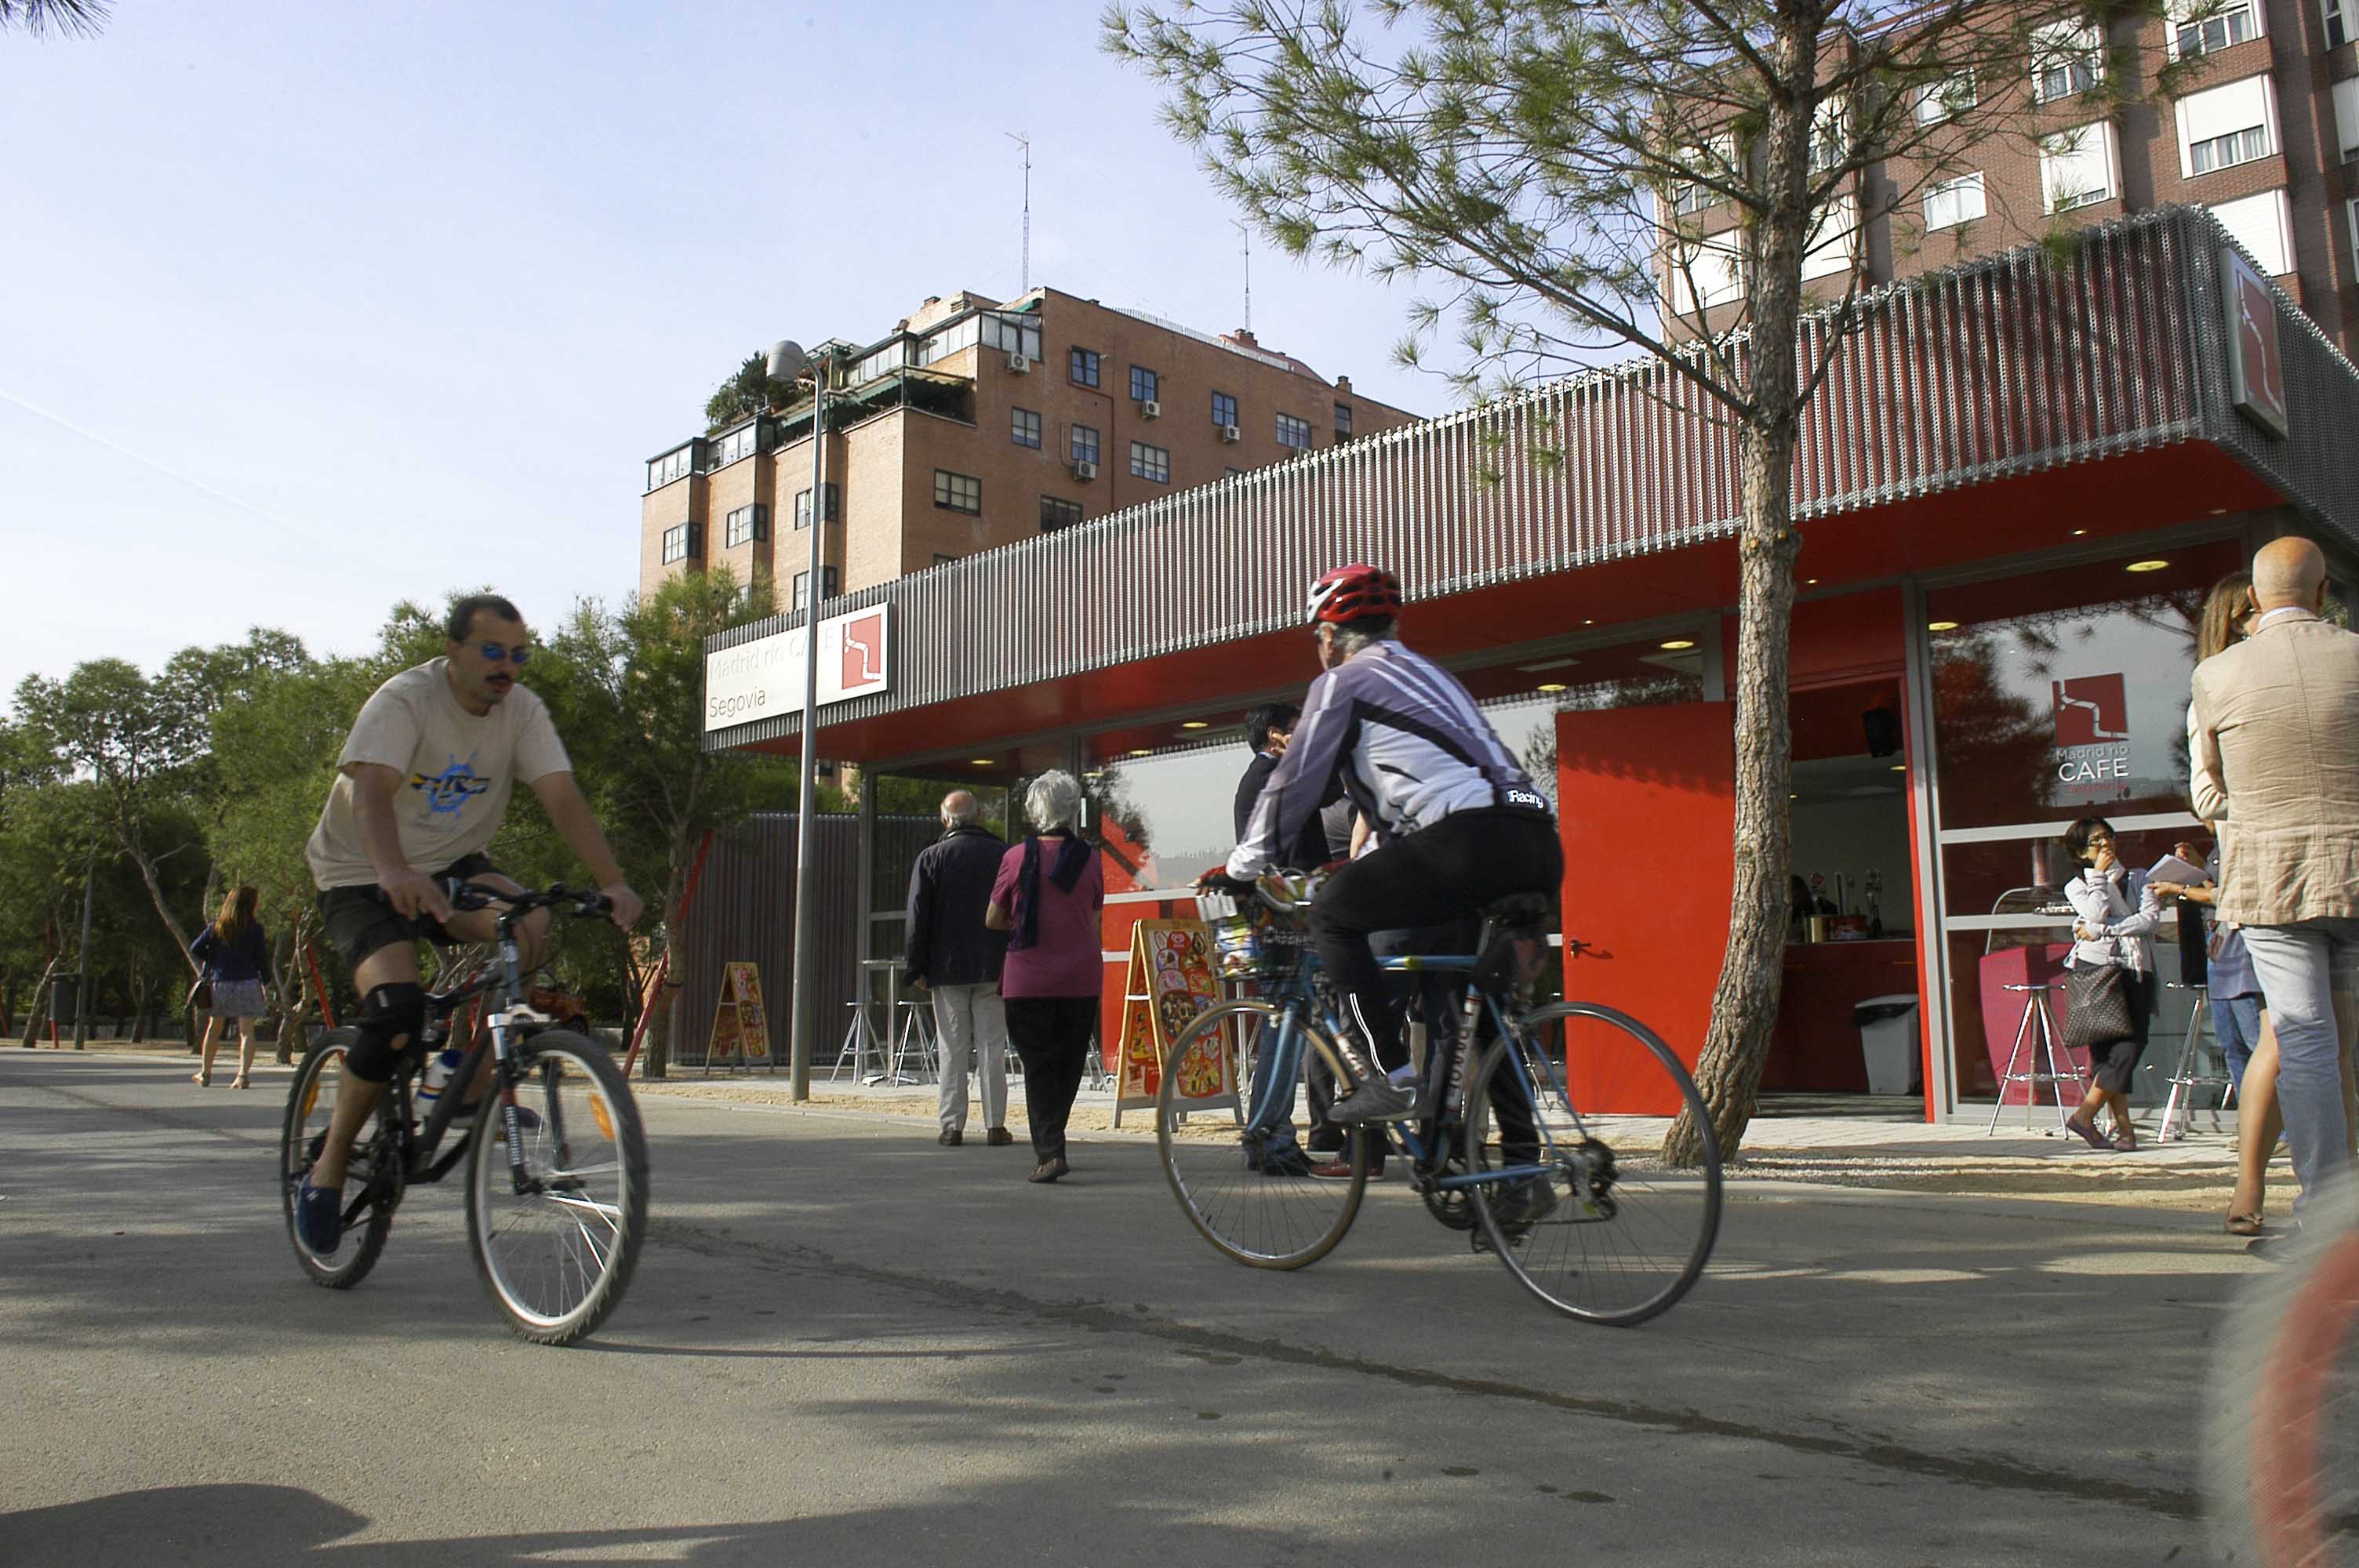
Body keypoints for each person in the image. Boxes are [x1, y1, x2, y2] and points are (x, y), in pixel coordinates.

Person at [293, 593, 643, 1257]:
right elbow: (370, 791)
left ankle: (468, 1072)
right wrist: (394, 871)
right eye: (491, 651)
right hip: (359, 871)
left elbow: (561, 796)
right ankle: (330, 1167)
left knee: (532, 922)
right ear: (453, 650)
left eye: (518, 655)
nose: (506, 667)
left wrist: (613, 881)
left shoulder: (522, 712)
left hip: (451, 866)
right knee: (394, 1012)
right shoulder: (405, 701)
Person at [1207, 564, 1562, 1126]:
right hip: (1535, 839)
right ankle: (1505, 1169)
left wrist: (1242, 867)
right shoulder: (1435, 676)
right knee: (1470, 1006)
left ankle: (1389, 1076)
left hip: (1459, 842)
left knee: (1332, 916)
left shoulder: (1341, 683)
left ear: (1327, 636)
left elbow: (1294, 783)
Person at [2190, 535, 2359, 1216]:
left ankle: (2326, 1211)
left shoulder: (2217, 675)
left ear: (2255, 598)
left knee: (2305, 1038)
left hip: (2272, 880)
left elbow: (2212, 785)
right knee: (2345, 1041)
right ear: (2323, 594)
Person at [985, 771, 1104, 1184]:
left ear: (1034, 811)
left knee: (1039, 1066)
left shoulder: (1015, 858)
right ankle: (1054, 1142)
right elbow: (1093, 918)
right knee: (1069, 1066)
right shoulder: (1090, 859)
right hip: (1080, 977)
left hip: (1028, 978)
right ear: (1073, 811)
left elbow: (993, 917)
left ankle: (1050, 1151)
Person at [904, 789, 1012, 1149]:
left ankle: (952, 1126)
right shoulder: (1002, 854)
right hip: (994, 965)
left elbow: (918, 917)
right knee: (992, 1046)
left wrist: (916, 966)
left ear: (945, 820)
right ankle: (996, 1124)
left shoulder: (931, 857)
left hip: (947, 967)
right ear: (979, 816)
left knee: (952, 1047)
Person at [2059, 816, 2162, 1152]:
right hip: (2095, 970)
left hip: (2135, 969)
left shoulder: (2140, 877)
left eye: (2108, 837)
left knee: (2130, 1047)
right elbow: (2096, 911)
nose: (2105, 845)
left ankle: (2091, 1118)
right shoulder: (2077, 885)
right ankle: (2120, 1130)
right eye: (2096, 841)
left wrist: (2102, 929)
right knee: (2110, 1053)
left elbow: (2148, 921)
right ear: (2082, 852)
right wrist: (2099, 878)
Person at [189, 884, 271, 1090]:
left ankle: (206, 1074)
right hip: (248, 983)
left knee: (214, 1029)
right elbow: (261, 959)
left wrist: (214, 959)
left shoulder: (217, 927)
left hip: (221, 984)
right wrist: (266, 981)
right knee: (246, 1032)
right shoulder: (255, 929)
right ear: (250, 905)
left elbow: (195, 949)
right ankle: (242, 1076)